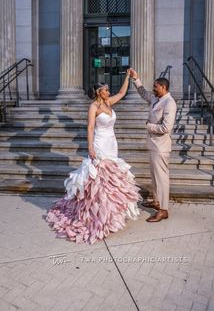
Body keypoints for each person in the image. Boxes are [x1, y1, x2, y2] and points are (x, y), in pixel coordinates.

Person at [45, 69, 141, 244]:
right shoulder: (94, 107)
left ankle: (110, 213)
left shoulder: (109, 103)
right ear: (99, 92)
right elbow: (90, 128)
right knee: (99, 177)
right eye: (105, 89)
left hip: (112, 142)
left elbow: (122, 92)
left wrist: (128, 77)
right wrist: (90, 146)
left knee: (111, 178)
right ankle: (95, 215)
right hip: (99, 142)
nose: (109, 91)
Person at [130, 69, 177, 222]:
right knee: (155, 177)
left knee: (162, 178)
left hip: (161, 147)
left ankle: (163, 210)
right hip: (153, 145)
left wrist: (149, 126)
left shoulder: (169, 103)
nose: (153, 89)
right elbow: (143, 93)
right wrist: (136, 78)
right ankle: (156, 202)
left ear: (163, 87)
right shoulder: (156, 99)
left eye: (155, 86)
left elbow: (166, 128)